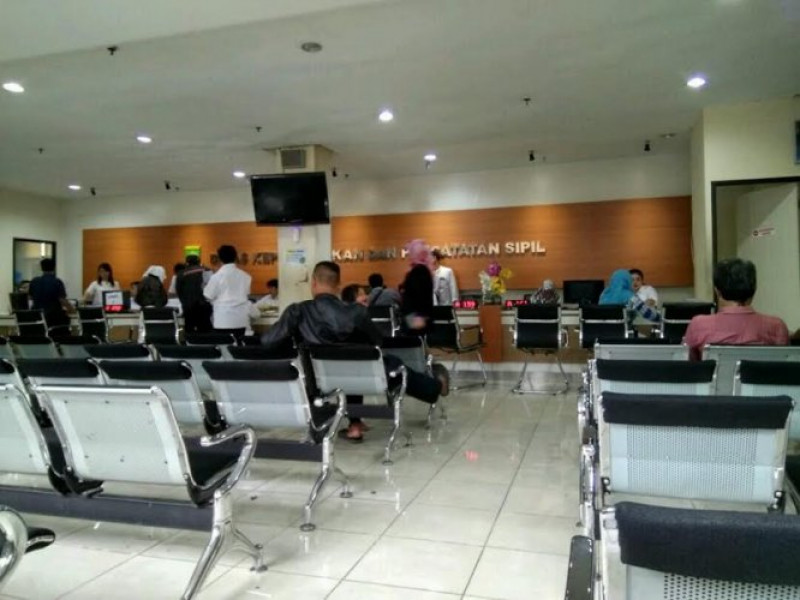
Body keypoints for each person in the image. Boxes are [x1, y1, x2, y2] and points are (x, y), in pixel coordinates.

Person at [260, 261, 449, 442]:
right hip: (358, 379)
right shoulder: (356, 312)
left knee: (361, 363)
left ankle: (355, 424)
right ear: (338, 286)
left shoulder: (297, 312)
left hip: (318, 381)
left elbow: (268, 341)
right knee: (389, 365)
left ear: (314, 283)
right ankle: (435, 386)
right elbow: (378, 342)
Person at [684, 258, 789, 359]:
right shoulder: (776, 326)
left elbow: (688, 365)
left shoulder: (698, 325)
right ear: (754, 290)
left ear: (717, 291)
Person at [204, 244, 252, 338]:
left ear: (220, 259)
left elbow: (208, 295)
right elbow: (246, 294)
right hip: (241, 319)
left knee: (224, 345)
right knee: (239, 344)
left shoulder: (216, 277)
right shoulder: (246, 276)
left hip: (222, 320)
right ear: (235, 257)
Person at [400, 239, 435, 334]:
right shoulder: (424, 270)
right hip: (420, 317)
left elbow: (418, 295)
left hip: (416, 318)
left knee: (415, 340)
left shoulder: (418, 271)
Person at [29, 258, 71, 332]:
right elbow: (62, 300)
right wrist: (72, 309)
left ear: (41, 268)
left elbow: (30, 297)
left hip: (37, 317)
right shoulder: (57, 282)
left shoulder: (34, 281)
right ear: (54, 267)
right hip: (54, 319)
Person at [176, 254, 213, 333]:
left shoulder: (181, 273)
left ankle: (190, 340)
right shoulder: (206, 271)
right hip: (203, 304)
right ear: (199, 262)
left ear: (187, 263)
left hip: (188, 306)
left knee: (189, 329)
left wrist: (184, 302)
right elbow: (211, 287)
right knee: (205, 329)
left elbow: (178, 290)